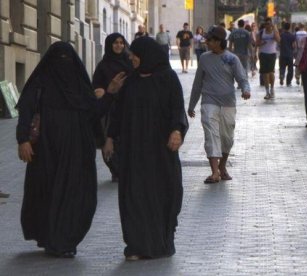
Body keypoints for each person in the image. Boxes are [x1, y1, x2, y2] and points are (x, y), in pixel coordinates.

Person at [16, 41, 118, 258]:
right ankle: (53, 238)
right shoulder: (41, 83)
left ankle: (65, 238)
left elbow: (94, 112)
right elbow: (26, 110)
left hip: (77, 152)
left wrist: (109, 94)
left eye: (67, 59)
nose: (63, 64)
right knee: (48, 193)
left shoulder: (80, 86)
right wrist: (23, 140)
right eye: (59, 59)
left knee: (76, 194)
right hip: (45, 151)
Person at [103, 37, 188, 260]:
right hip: (133, 151)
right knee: (134, 196)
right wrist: (110, 137)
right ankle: (136, 246)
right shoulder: (130, 81)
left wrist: (177, 131)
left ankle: (161, 243)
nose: (131, 58)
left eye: (135, 56)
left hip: (161, 152)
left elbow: (178, 109)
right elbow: (118, 113)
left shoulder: (168, 79)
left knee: (163, 194)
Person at [187, 26, 251, 184]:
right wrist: (191, 105)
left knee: (227, 138)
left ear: (218, 41)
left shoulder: (231, 58)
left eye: (209, 40)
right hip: (209, 101)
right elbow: (197, 84)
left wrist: (246, 90)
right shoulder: (204, 58)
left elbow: (242, 78)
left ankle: (222, 167)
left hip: (228, 103)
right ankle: (214, 172)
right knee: (211, 135)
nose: (206, 42)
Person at [92, 33, 133, 182]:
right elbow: (96, 84)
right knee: (108, 139)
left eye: (122, 43)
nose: (119, 46)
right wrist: (101, 91)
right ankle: (115, 170)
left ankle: (124, 169)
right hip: (109, 107)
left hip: (127, 107)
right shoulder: (103, 65)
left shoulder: (130, 63)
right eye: (115, 43)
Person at [256, 17, 280, 99]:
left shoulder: (274, 32)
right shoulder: (261, 32)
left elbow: (278, 40)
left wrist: (275, 28)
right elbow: (256, 43)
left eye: (269, 24)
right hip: (263, 54)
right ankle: (267, 92)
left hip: (272, 54)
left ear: (271, 24)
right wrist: (261, 43)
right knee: (265, 74)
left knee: (271, 72)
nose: (267, 25)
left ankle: (272, 89)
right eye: (266, 24)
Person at [279, 22, 296, 87]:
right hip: (289, 55)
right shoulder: (292, 36)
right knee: (290, 69)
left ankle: (282, 75)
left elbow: (279, 43)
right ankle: (288, 81)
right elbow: (294, 45)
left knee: (282, 67)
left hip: (282, 54)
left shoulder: (281, 35)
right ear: (289, 27)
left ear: (284, 27)